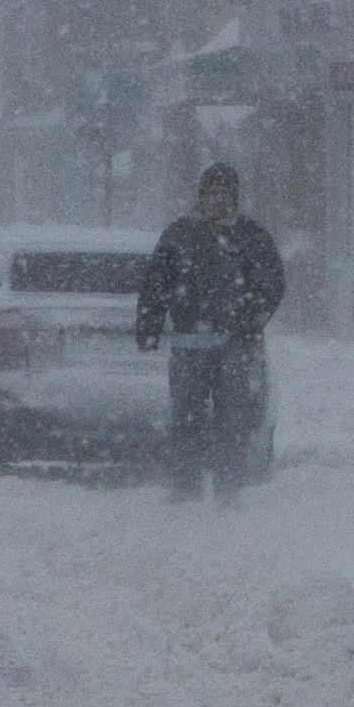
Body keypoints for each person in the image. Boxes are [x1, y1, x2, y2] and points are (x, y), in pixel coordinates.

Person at [132, 162, 287, 502]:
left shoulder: (251, 236)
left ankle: (229, 490)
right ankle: (185, 489)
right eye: (211, 192)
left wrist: (249, 320)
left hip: (235, 347)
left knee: (232, 420)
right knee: (186, 420)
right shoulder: (179, 234)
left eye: (224, 193)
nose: (217, 199)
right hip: (188, 346)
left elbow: (273, 284)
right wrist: (148, 328)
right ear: (201, 195)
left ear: (234, 197)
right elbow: (156, 283)